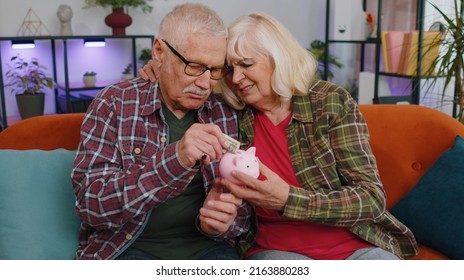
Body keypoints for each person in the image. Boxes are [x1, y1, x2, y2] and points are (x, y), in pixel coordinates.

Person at [140, 11, 419, 260]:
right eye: (229, 69)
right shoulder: (227, 112)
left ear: (278, 59)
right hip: (276, 250)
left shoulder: (329, 102)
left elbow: (370, 198)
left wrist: (288, 200)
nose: (236, 78)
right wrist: (160, 67)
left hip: (357, 245)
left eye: (246, 65)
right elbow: (188, 78)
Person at [70, 3, 252, 260]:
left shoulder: (226, 112)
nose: (205, 84)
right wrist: (175, 160)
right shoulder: (114, 103)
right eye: (194, 66)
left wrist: (222, 223)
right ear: (159, 51)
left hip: (209, 249)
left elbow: (245, 213)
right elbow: (92, 205)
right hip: (128, 248)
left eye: (214, 70)